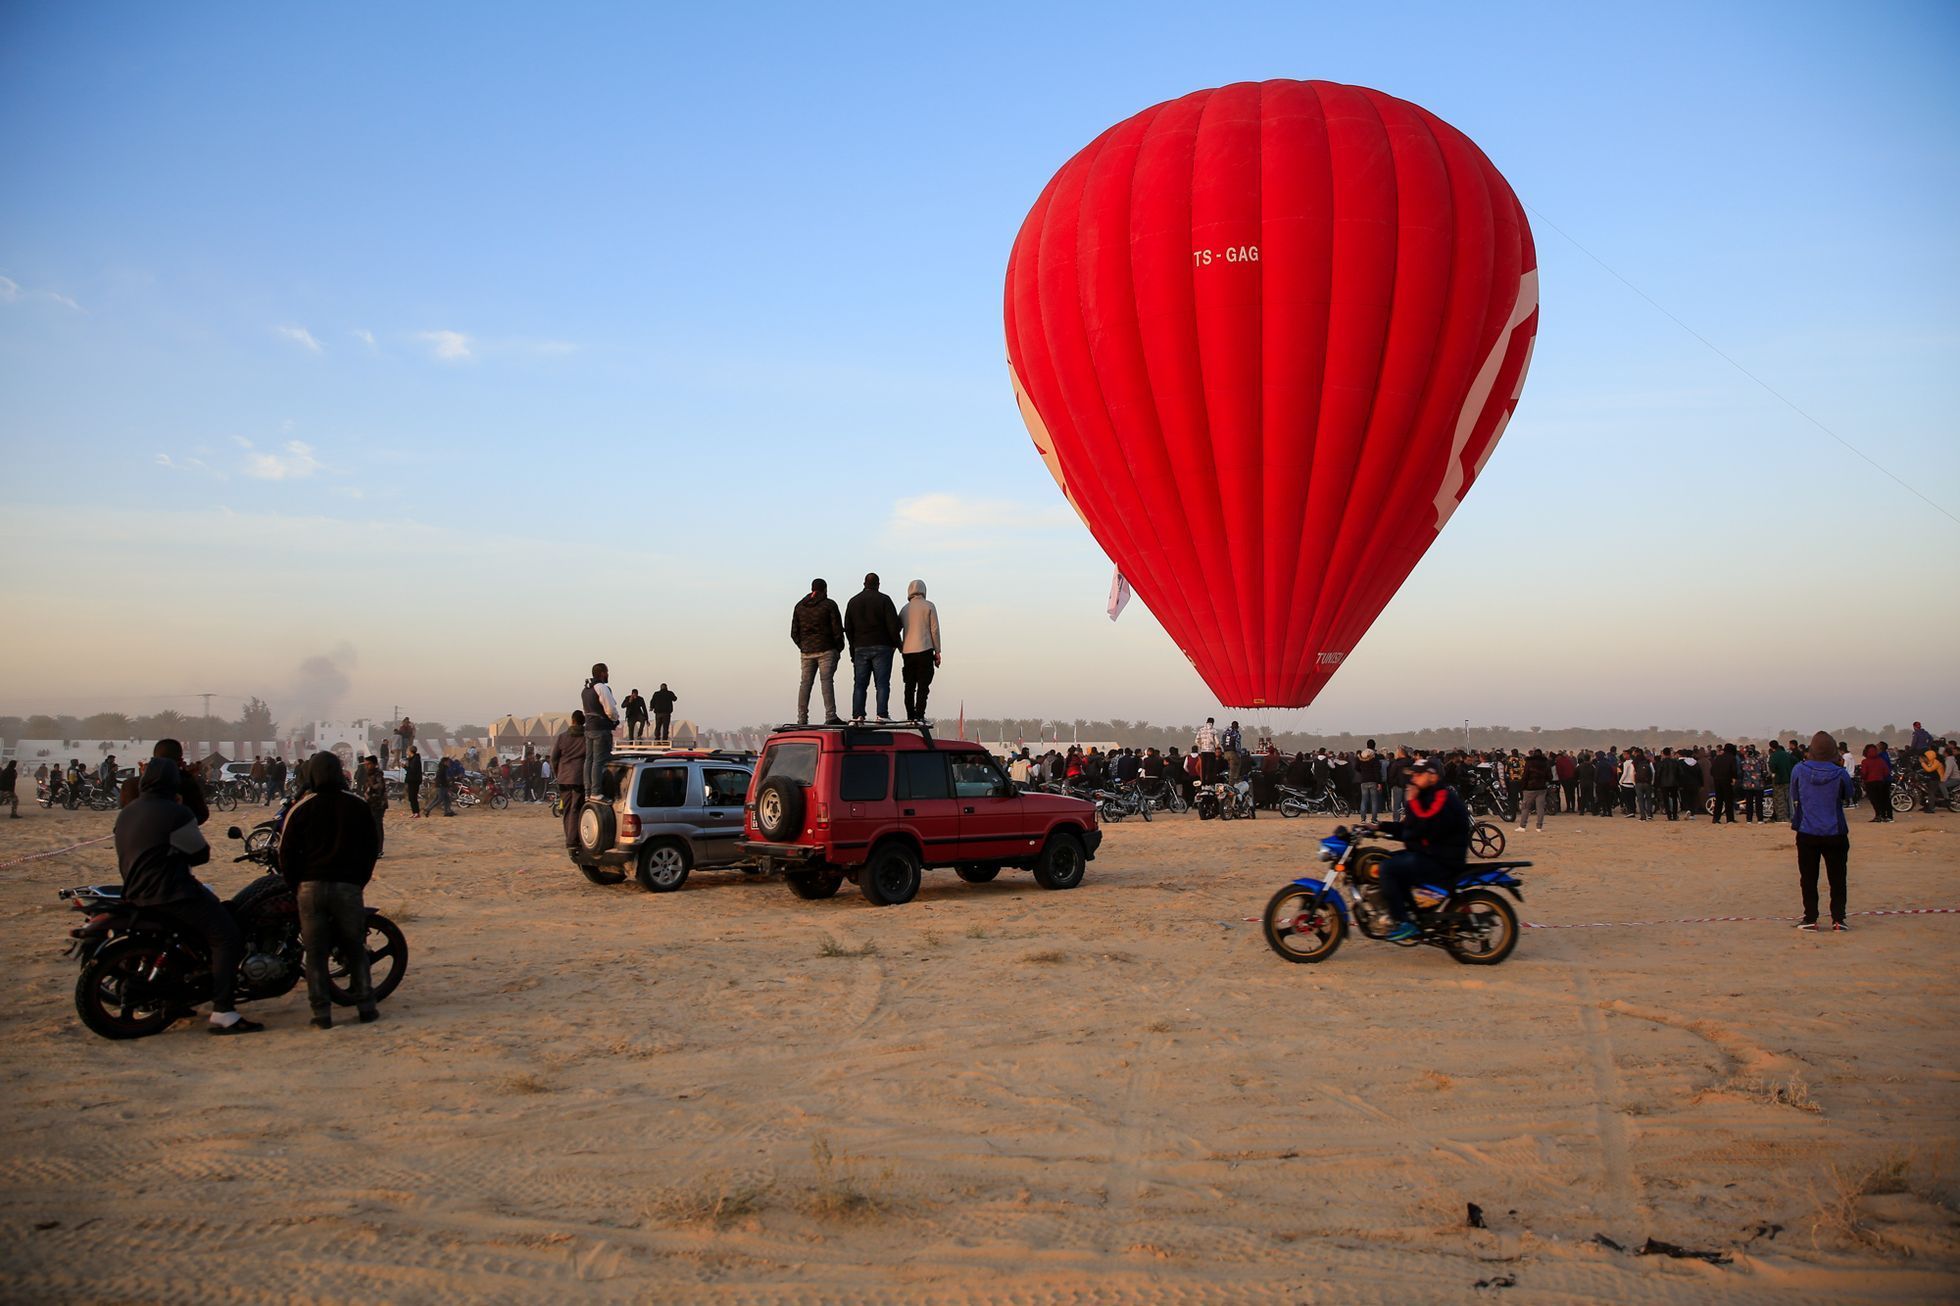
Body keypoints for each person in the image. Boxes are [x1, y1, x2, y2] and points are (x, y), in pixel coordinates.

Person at [114, 757, 260, 1034]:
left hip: (135, 891)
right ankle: (224, 1012)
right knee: (227, 936)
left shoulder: (128, 811)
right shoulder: (176, 812)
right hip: (172, 892)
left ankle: (180, 996)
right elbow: (200, 854)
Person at [278, 753, 381, 1028]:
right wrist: (360, 880)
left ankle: (321, 1013)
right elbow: (372, 847)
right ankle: (366, 1006)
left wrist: (296, 884)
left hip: (310, 887)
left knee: (315, 953)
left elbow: (285, 853)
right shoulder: (356, 806)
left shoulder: (302, 808)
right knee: (355, 948)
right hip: (348, 885)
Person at [1373, 759, 1471, 943]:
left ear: (1432, 776)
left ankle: (1404, 922)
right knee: (1383, 861)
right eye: (1413, 775)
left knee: (1388, 869)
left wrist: (1412, 802)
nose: (1413, 779)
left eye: (1418, 775)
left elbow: (1428, 824)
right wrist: (1378, 828)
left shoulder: (1442, 796)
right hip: (1428, 853)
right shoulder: (1426, 796)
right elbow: (1410, 828)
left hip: (1441, 858)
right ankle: (1411, 912)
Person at [1790, 731, 1855, 931]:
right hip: (1835, 831)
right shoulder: (1840, 773)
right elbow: (1849, 795)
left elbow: (1794, 794)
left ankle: (1810, 918)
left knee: (1808, 877)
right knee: (1838, 877)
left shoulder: (1799, 770)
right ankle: (1838, 919)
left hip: (1807, 831)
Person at [844, 572, 902, 723]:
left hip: (860, 647)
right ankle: (881, 715)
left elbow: (848, 628)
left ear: (864, 584)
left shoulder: (853, 602)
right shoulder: (884, 600)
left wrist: (853, 647)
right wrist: (898, 645)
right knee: (882, 683)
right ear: (878, 584)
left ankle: (857, 716)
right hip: (882, 647)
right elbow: (893, 626)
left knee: (860, 684)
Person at [791, 578, 846, 726]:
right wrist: (839, 648)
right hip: (826, 649)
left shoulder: (799, 606)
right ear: (825, 589)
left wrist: (803, 646)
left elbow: (794, 633)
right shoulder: (829, 605)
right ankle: (830, 716)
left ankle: (802, 719)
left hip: (806, 652)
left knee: (805, 684)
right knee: (826, 682)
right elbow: (837, 629)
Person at [899, 579, 943, 723]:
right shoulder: (929, 606)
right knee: (923, 685)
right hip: (925, 649)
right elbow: (934, 630)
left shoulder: (905, 609)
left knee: (909, 685)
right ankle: (920, 714)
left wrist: (900, 646)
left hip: (908, 652)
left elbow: (896, 629)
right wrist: (938, 651)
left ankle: (910, 715)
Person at [549, 711, 588, 851]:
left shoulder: (562, 737)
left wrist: (558, 773)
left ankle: (569, 839)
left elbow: (553, 758)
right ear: (583, 722)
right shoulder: (586, 738)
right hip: (579, 778)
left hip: (564, 778)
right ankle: (573, 840)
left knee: (566, 809)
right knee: (576, 809)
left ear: (572, 721)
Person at [580, 662, 620, 797]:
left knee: (589, 760)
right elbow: (610, 709)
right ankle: (596, 791)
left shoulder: (585, 690)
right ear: (602, 673)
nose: (608, 674)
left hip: (589, 729)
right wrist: (615, 719)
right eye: (607, 672)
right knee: (599, 761)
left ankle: (588, 791)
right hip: (600, 729)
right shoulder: (601, 687)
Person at [359, 754, 389, 856]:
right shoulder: (369, 774)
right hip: (371, 804)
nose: (367, 766)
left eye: (369, 764)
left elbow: (379, 790)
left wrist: (369, 796)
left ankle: (378, 850)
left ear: (375, 764)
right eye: (365, 764)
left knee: (377, 826)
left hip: (378, 804)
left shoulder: (377, 775)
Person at [1516, 748, 1552, 830]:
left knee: (1525, 808)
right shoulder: (1545, 763)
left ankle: (1522, 826)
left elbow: (1525, 776)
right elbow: (1550, 776)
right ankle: (1539, 827)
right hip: (1542, 788)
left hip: (1529, 788)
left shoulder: (1529, 763)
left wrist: (1522, 787)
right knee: (1540, 808)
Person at [1858, 743, 1892, 822]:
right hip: (1880, 782)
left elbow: (1864, 773)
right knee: (1882, 799)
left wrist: (1863, 778)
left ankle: (1878, 815)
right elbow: (1886, 772)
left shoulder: (1865, 761)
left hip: (1870, 782)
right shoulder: (1880, 760)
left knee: (1874, 800)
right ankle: (1884, 815)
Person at [427, 751, 456, 817]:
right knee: (440, 799)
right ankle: (428, 809)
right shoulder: (442, 769)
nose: (449, 763)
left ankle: (447, 812)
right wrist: (446, 783)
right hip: (441, 786)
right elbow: (440, 779)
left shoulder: (444, 768)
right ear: (445, 762)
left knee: (447, 799)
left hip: (443, 786)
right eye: (448, 762)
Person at [1194, 718, 1220, 783]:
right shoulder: (1214, 731)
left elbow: (1196, 741)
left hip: (1203, 751)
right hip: (1211, 751)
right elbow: (1217, 742)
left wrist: (1201, 746)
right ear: (1213, 723)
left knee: (1203, 768)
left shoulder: (1201, 730)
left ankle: (1203, 781)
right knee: (1210, 768)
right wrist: (1215, 747)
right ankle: (1209, 782)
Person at [404, 747, 423, 818]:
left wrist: (405, 767)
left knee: (413, 797)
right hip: (411, 780)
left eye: (407, 751)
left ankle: (416, 812)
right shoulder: (412, 759)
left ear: (411, 751)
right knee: (411, 797)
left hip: (414, 781)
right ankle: (414, 812)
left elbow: (412, 771)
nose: (407, 752)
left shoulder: (415, 760)